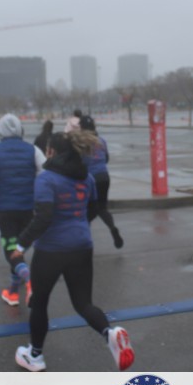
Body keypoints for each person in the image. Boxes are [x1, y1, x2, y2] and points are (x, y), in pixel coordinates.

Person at [14, 130, 134, 372]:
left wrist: (20, 245)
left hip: (50, 250)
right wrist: (76, 226)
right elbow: (93, 209)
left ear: (51, 151)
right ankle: (109, 332)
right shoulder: (86, 178)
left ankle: (35, 355)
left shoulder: (46, 179)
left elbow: (43, 217)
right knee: (83, 303)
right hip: (81, 245)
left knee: (40, 302)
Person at [0, 113, 46, 305]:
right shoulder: (33, 150)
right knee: (20, 247)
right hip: (27, 207)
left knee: (10, 249)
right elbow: (44, 173)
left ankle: (29, 280)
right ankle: (13, 292)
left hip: (4, 208)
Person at [78, 115, 124, 248]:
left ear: (82, 127)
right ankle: (113, 228)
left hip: (90, 179)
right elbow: (106, 158)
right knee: (102, 208)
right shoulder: (101, 140)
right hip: (104, 176)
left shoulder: (82, 142)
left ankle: (83, 238)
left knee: (87, 209)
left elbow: (79, 161)